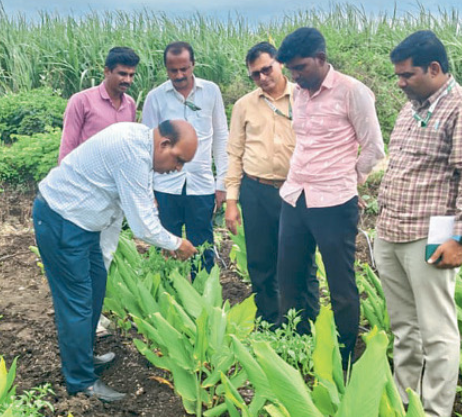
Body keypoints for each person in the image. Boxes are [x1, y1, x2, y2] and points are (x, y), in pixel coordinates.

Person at [34, 120, 199, 402]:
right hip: (61, 220)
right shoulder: (133, 153)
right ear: (164, 144)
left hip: (82, 223)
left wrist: (162, 237)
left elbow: (141, 200)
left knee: (96, 288)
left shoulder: (140, 143)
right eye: (179, 159)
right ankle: (81, 381)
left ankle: (83, 357)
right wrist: (175, 243)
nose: (178, 168)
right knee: (77, 303)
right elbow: (142, 226)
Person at [376, 30, 462, 417]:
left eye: (407, 75)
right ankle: (402, 405)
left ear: (435, 69)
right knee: (404, 328)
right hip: (390, 229)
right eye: (399, 76)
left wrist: (461, 238)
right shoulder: (411, 108)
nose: (400, 83)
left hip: (433, 232)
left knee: (437, 332)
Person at [274, 27, 386, 367]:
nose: (295, 75)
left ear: (321, 59)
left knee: (341, 284)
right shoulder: (300, 93)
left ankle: (345, 358)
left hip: (335, 202)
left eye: (301, 68)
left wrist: (349, 178)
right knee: (291, 276)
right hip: (295, 195)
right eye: (291, 70)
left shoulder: (353, 91)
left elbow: (374, 148)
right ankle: (301, 347)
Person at [58, 46, 141, 336]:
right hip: (85, 194)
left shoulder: (129, 105)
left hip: (113, 196)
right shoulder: (82, 102)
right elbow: (67, 148)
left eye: (131, 74)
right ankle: (79, 318)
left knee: (105, 253)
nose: (127, 79)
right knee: (80, 257)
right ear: (106, 71)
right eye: (121, 73)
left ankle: (92, 316)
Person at [223, 42, 301, 327]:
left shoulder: (303, 98)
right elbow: (235, 153)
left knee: (299, 260)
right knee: (260, 262)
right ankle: (271, 321)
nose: (263, 78)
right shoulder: (244, 105)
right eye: (255, 74)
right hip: (255, 190)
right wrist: (232, 201)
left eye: (267, 69)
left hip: (296, 191)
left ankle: (302, 323)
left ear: (280, 64)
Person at [141, 42, 228, 272]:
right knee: (165, 247)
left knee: (203, 247)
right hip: (165, 186)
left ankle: (203, 298)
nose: (179, 75)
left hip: (201, 185)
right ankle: (168, 300)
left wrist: (222, 183)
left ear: (193, 65)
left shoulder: (211, 92)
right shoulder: (156, 97)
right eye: (173, 70)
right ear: (166, 69)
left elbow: (221, 136)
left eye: (184, 69)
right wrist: (149, 190)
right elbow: (146, 145)